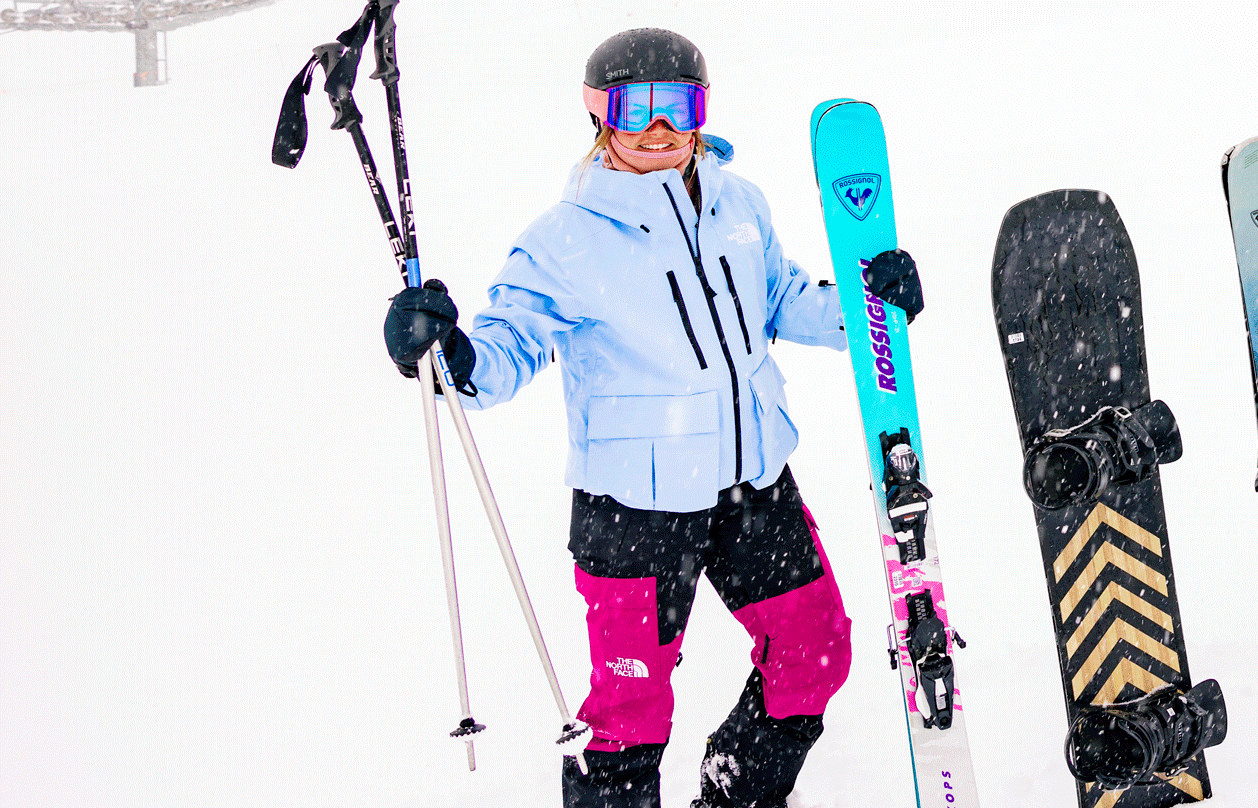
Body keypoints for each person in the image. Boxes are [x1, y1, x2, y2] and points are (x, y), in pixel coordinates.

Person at [381, 28, 925, 808]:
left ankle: (736, 793)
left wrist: (865, 305)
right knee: (628, 715)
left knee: (814, 651)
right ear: (600, 114)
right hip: (633, 514)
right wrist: (450, 354)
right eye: (637, 108)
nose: (660, 128)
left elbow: (782, 299)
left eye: (680, 105)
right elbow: (507, 348)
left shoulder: (740, 205)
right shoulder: (564, 241)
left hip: (752, 486)